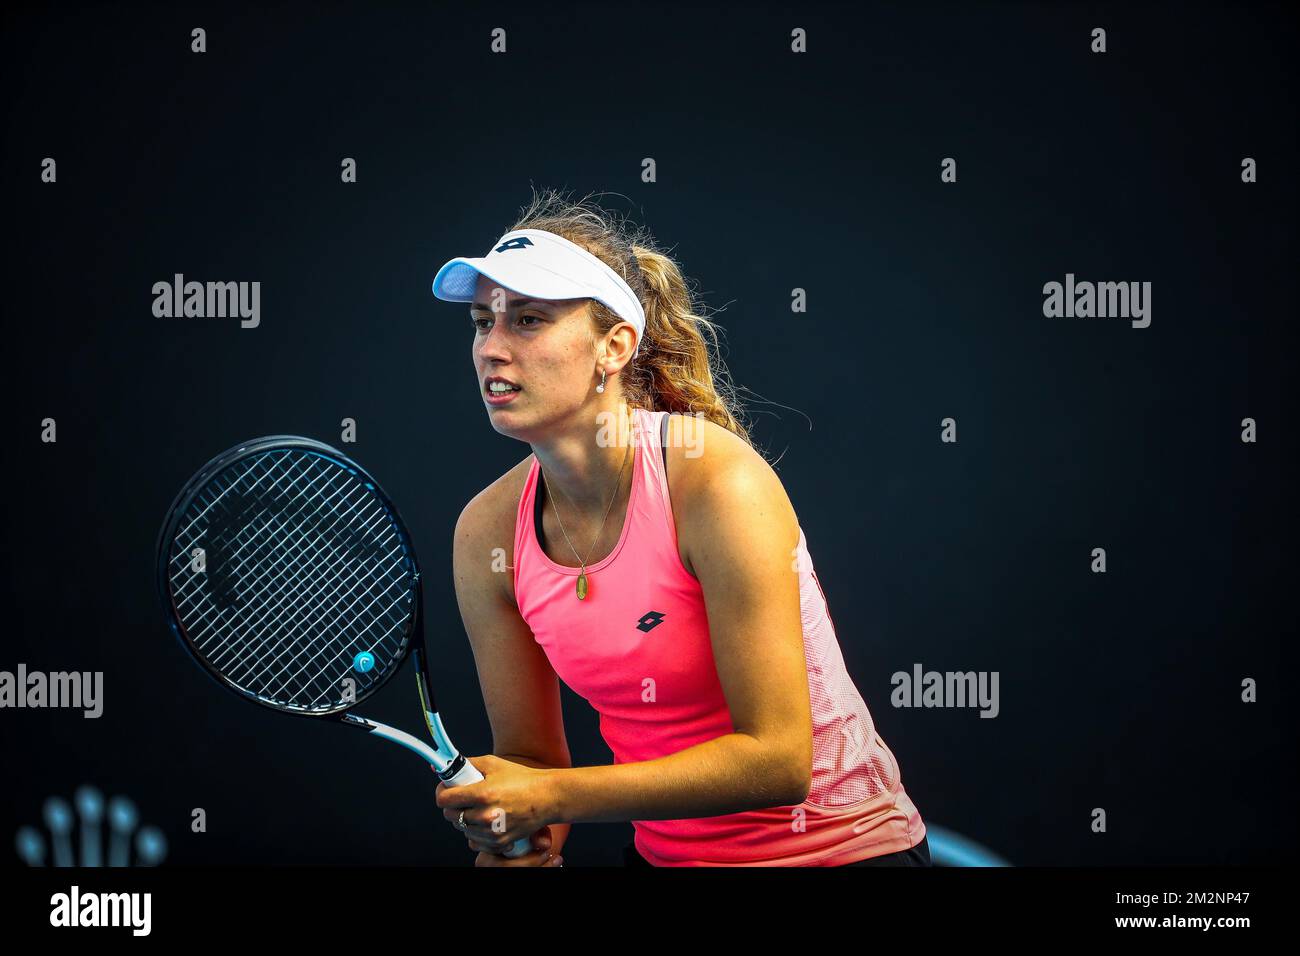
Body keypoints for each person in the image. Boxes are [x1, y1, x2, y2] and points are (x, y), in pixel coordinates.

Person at [430, 189, 928, 867]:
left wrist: (551, 797)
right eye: (480, 323)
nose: (491, 348)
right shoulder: (485, 533)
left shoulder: (716, 481)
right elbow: (533, 764)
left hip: (842, 854)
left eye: (528, 320)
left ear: (614, 346)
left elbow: (778, 760)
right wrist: (521, 835)